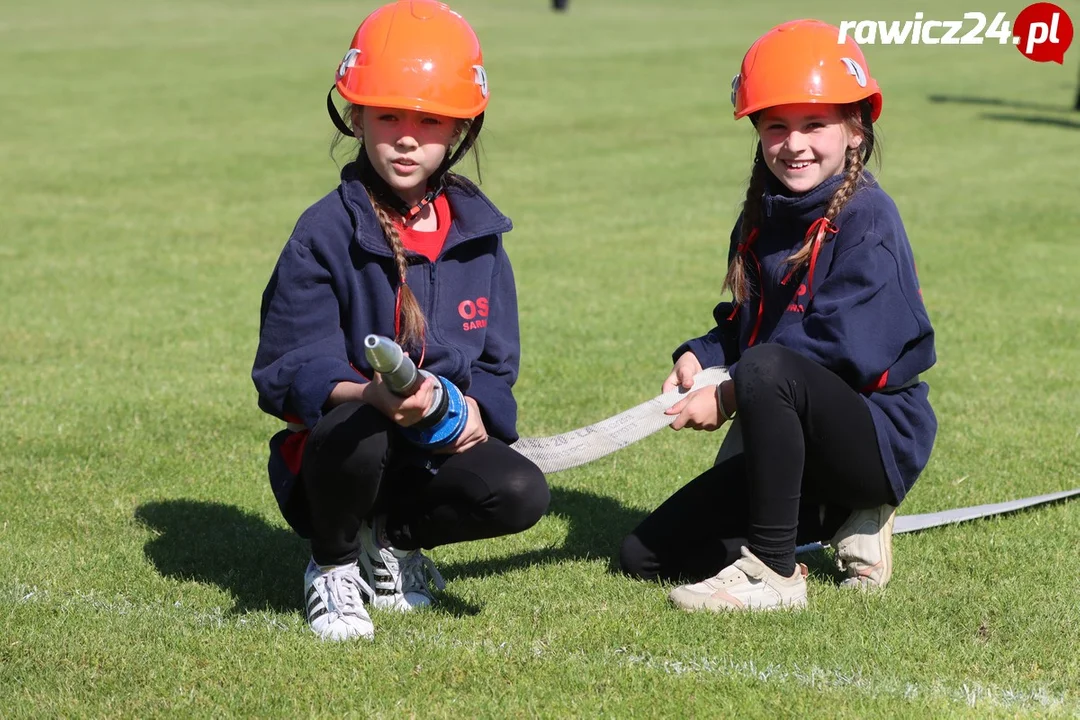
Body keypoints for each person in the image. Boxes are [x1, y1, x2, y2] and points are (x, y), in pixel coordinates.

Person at [252, 0, 549, 641]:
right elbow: (284, 370)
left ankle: (390, 543)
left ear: (462, 129)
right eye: (388, 115)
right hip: (336, 458)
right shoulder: (322, 231)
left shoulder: (479, 232)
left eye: (430, 120)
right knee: (364, 430)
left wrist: (475, 410)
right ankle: (332, 566)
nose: (408, 136)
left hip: (430, 453)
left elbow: (498, 364)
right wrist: (371, 395)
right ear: (355, 117)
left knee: (522, 491)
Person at [619, 19, 937, 612]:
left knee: (767, 367)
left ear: (855, 130)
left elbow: (834, 348)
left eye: (815, 124)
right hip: (785, 428)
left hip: (868, 438)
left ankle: (777, 573)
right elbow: (749, 322)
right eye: (776, 126)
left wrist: (735, 389)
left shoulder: (870, 218)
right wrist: (705, 354)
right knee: (644, 556)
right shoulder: (764, 213)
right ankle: (833, 518)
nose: (794, 144)